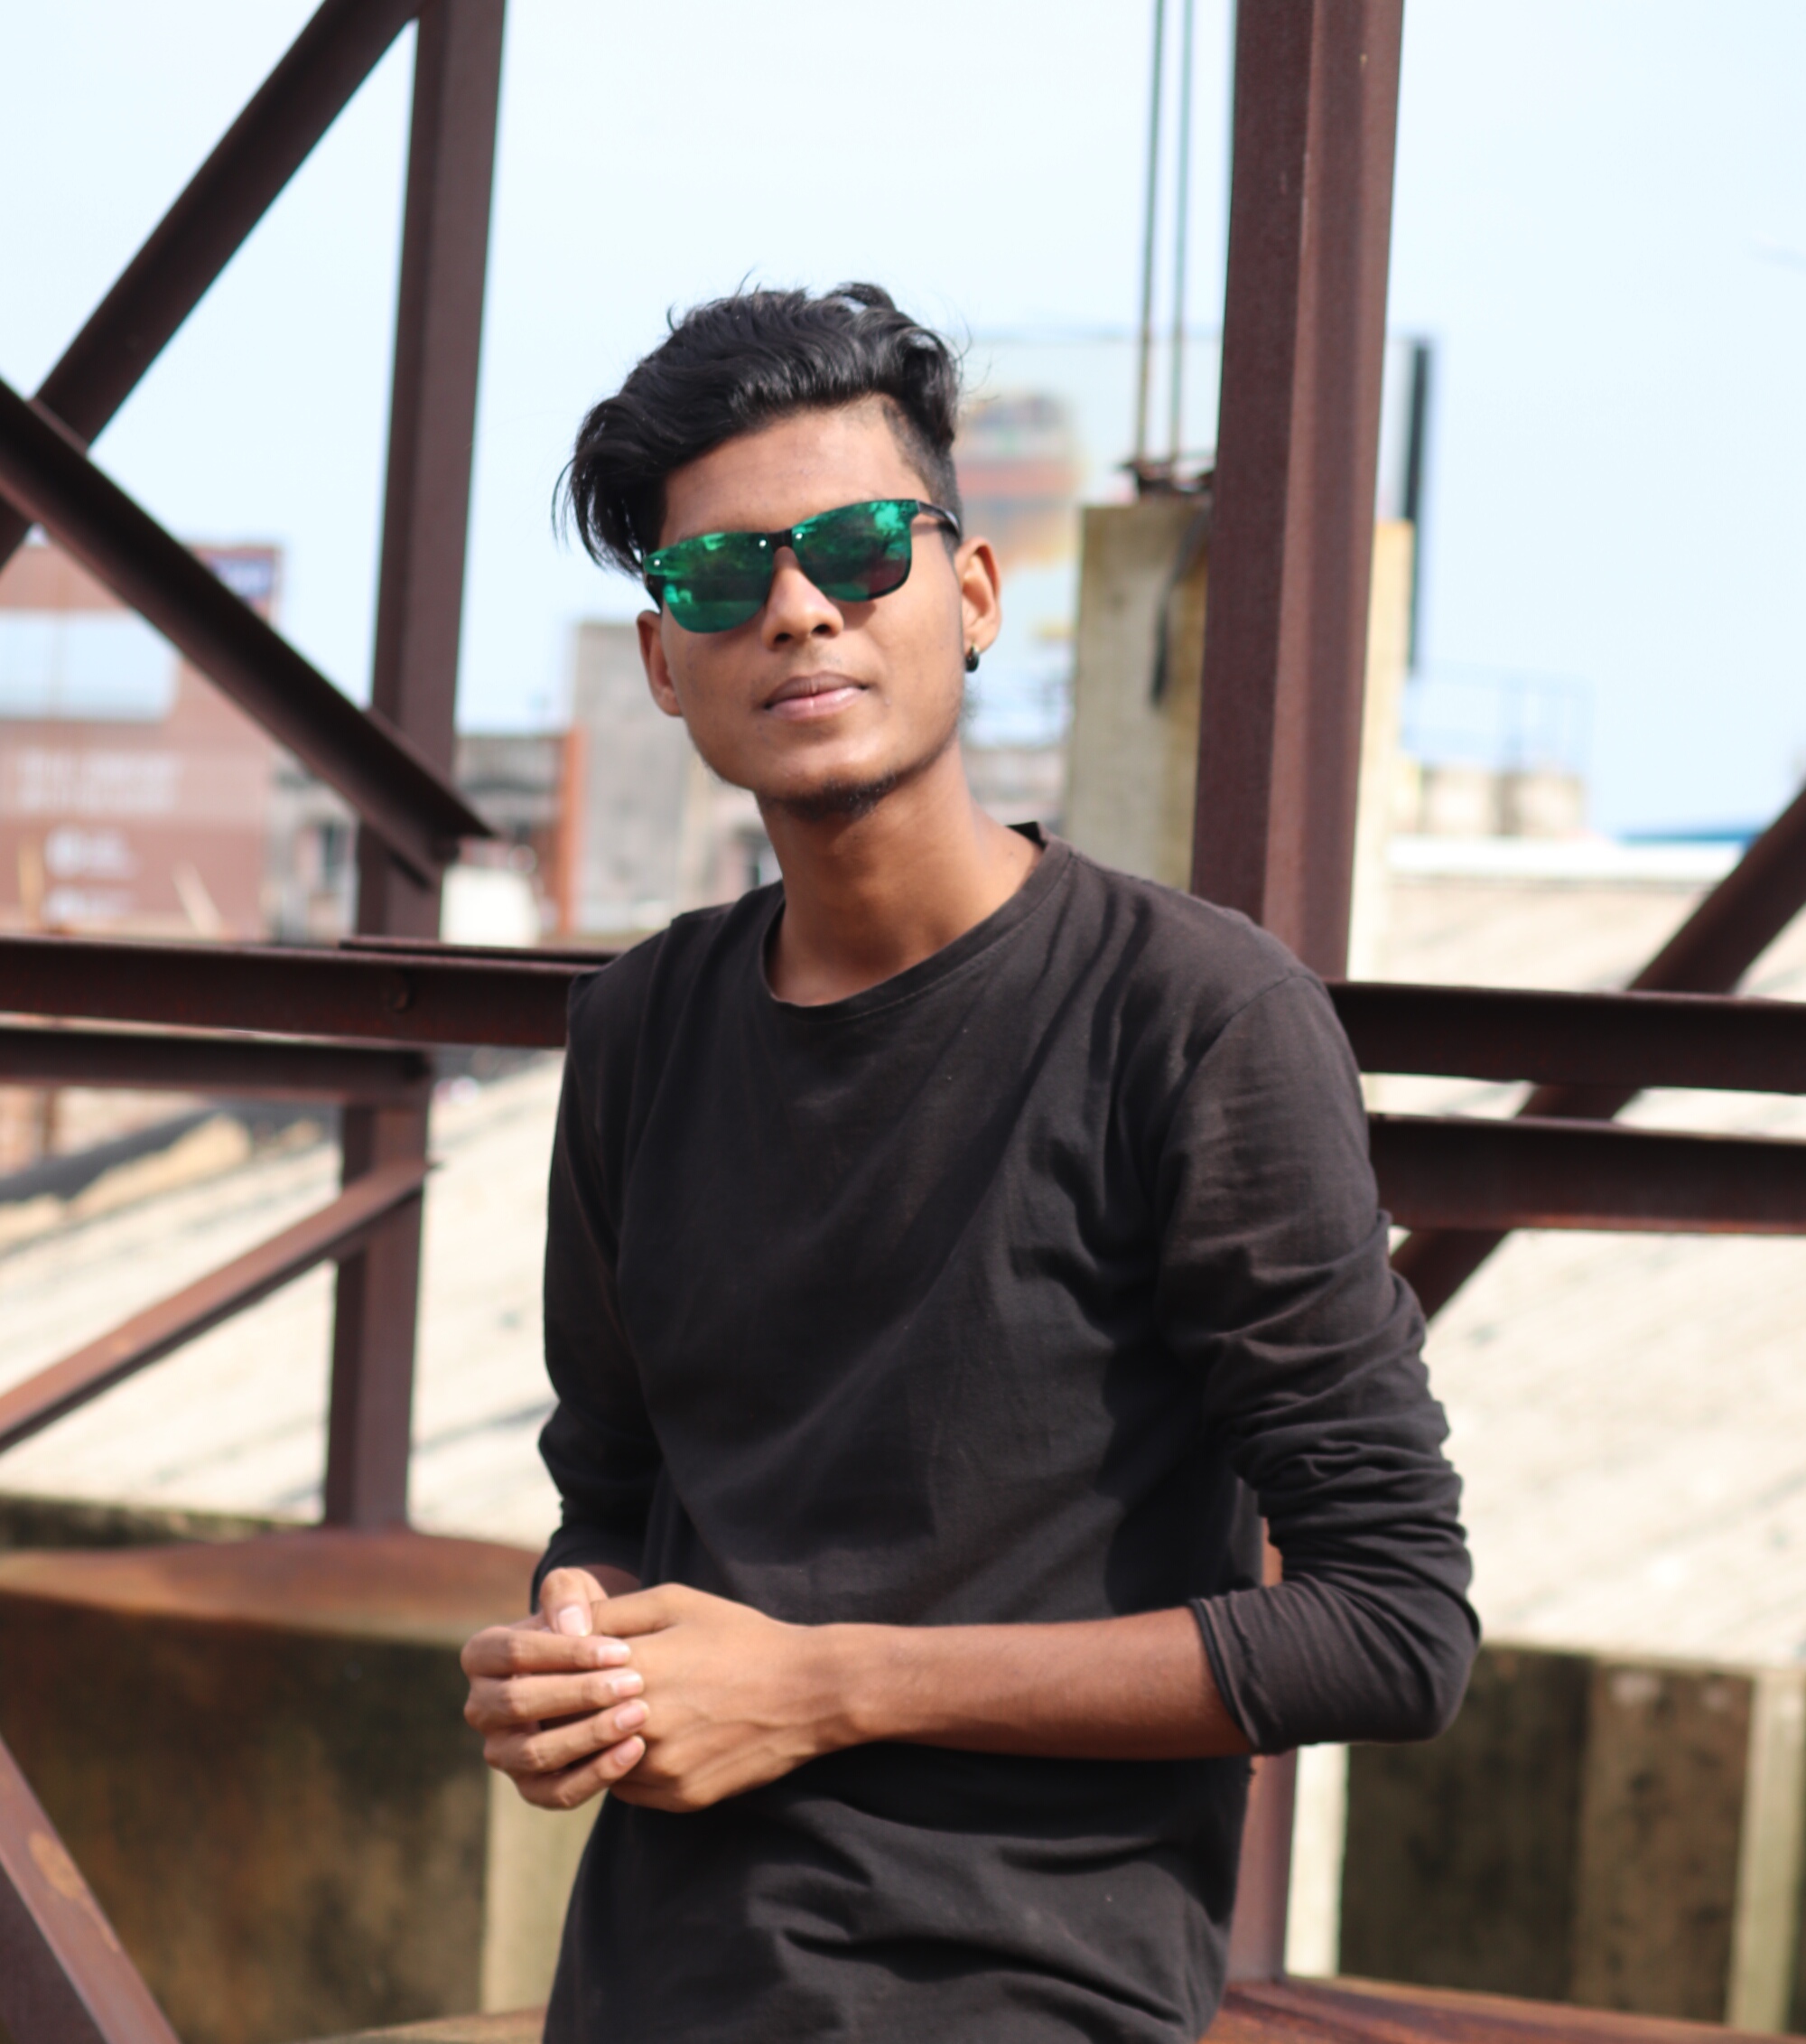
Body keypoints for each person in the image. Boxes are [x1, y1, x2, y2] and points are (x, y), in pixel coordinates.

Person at [460, 283, 1476, 2044]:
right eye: (721, 577)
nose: (797, 607)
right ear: (664, 662)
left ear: (976, 592)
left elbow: (1391, 1625)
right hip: (649, 1991)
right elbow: (612, 1498)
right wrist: (577, 1651)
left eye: (860, 549)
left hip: (1025, 1993)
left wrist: (826, 1687)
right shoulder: (638, 1029)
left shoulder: (1193, 1018)